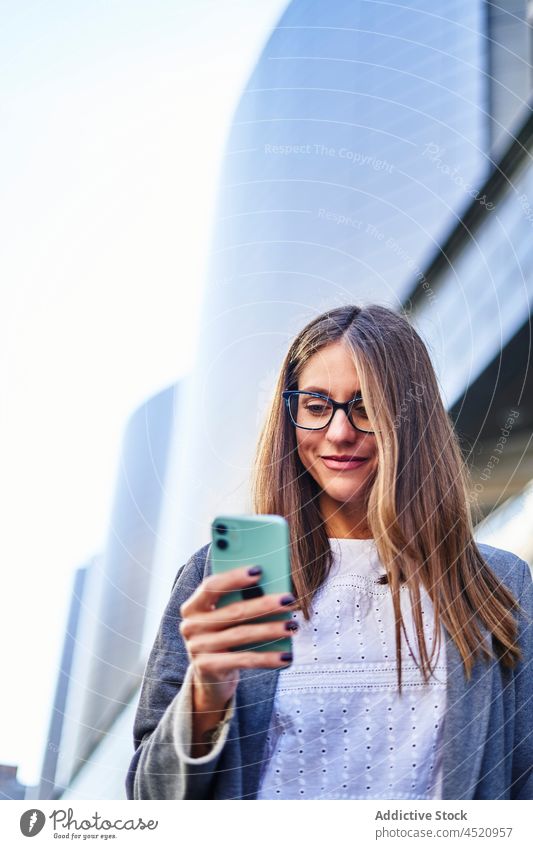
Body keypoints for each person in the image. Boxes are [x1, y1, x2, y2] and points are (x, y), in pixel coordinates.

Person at [126, 304, 532, 800]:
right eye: (317, 406)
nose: (340, 433)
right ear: (290, 416)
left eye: (366, 407)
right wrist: (206, 693)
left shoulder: (500, 583)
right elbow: (149, 798)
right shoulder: (215, 576)